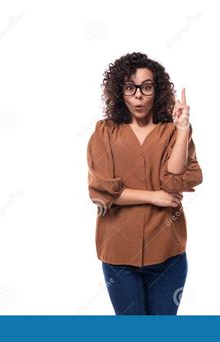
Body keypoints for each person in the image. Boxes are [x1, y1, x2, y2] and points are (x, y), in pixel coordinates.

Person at [86, 52, 203, 315]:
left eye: (146, 87)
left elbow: (173, 182)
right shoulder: (104, 132)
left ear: (157, 91)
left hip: (167, 253)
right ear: (120, 91)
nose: (138, 96)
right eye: (130, 87)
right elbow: (101, 191)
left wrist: (183, 129)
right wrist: (153, 196)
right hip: (119, 256)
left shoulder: (172, 132)